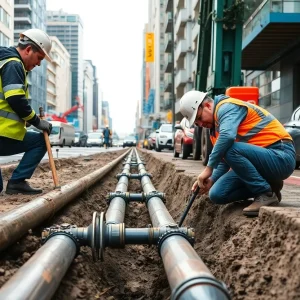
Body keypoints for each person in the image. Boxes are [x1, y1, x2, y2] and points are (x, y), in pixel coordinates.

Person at [179, 90, 296, 216]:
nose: (201, 124)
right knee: (217, 194)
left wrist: (209, 168)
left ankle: (265, 193)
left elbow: (228, 138)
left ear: (207, 106)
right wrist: (211, 180)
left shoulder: (227, 107)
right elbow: (224, 163)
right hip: (262, 163)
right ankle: (271, 186)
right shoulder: (214, 130)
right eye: (197, 124)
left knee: (230, 148)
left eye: (199, 118)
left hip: (281, 156)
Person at [0, 29, 53, 195]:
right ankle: (16, 182)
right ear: (29, 49)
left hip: (4, 134)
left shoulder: (8, 62)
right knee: (40, 141)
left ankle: (16, 183)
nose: (38, 64)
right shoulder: (13, 64)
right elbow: (15, 99)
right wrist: (37, 121)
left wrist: (29, 120)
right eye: (39, 58)